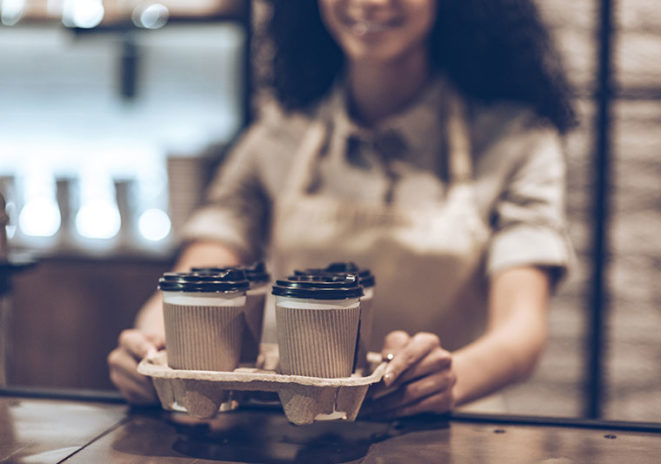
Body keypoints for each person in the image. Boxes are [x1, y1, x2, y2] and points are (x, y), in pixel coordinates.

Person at [108, 0, 575, 418]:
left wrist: (447, 376)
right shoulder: (279, 135)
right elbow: (204, 269)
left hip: (444, 424)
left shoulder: (515, 140)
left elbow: (521, 330)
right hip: (295, 424)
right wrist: (151, 346)